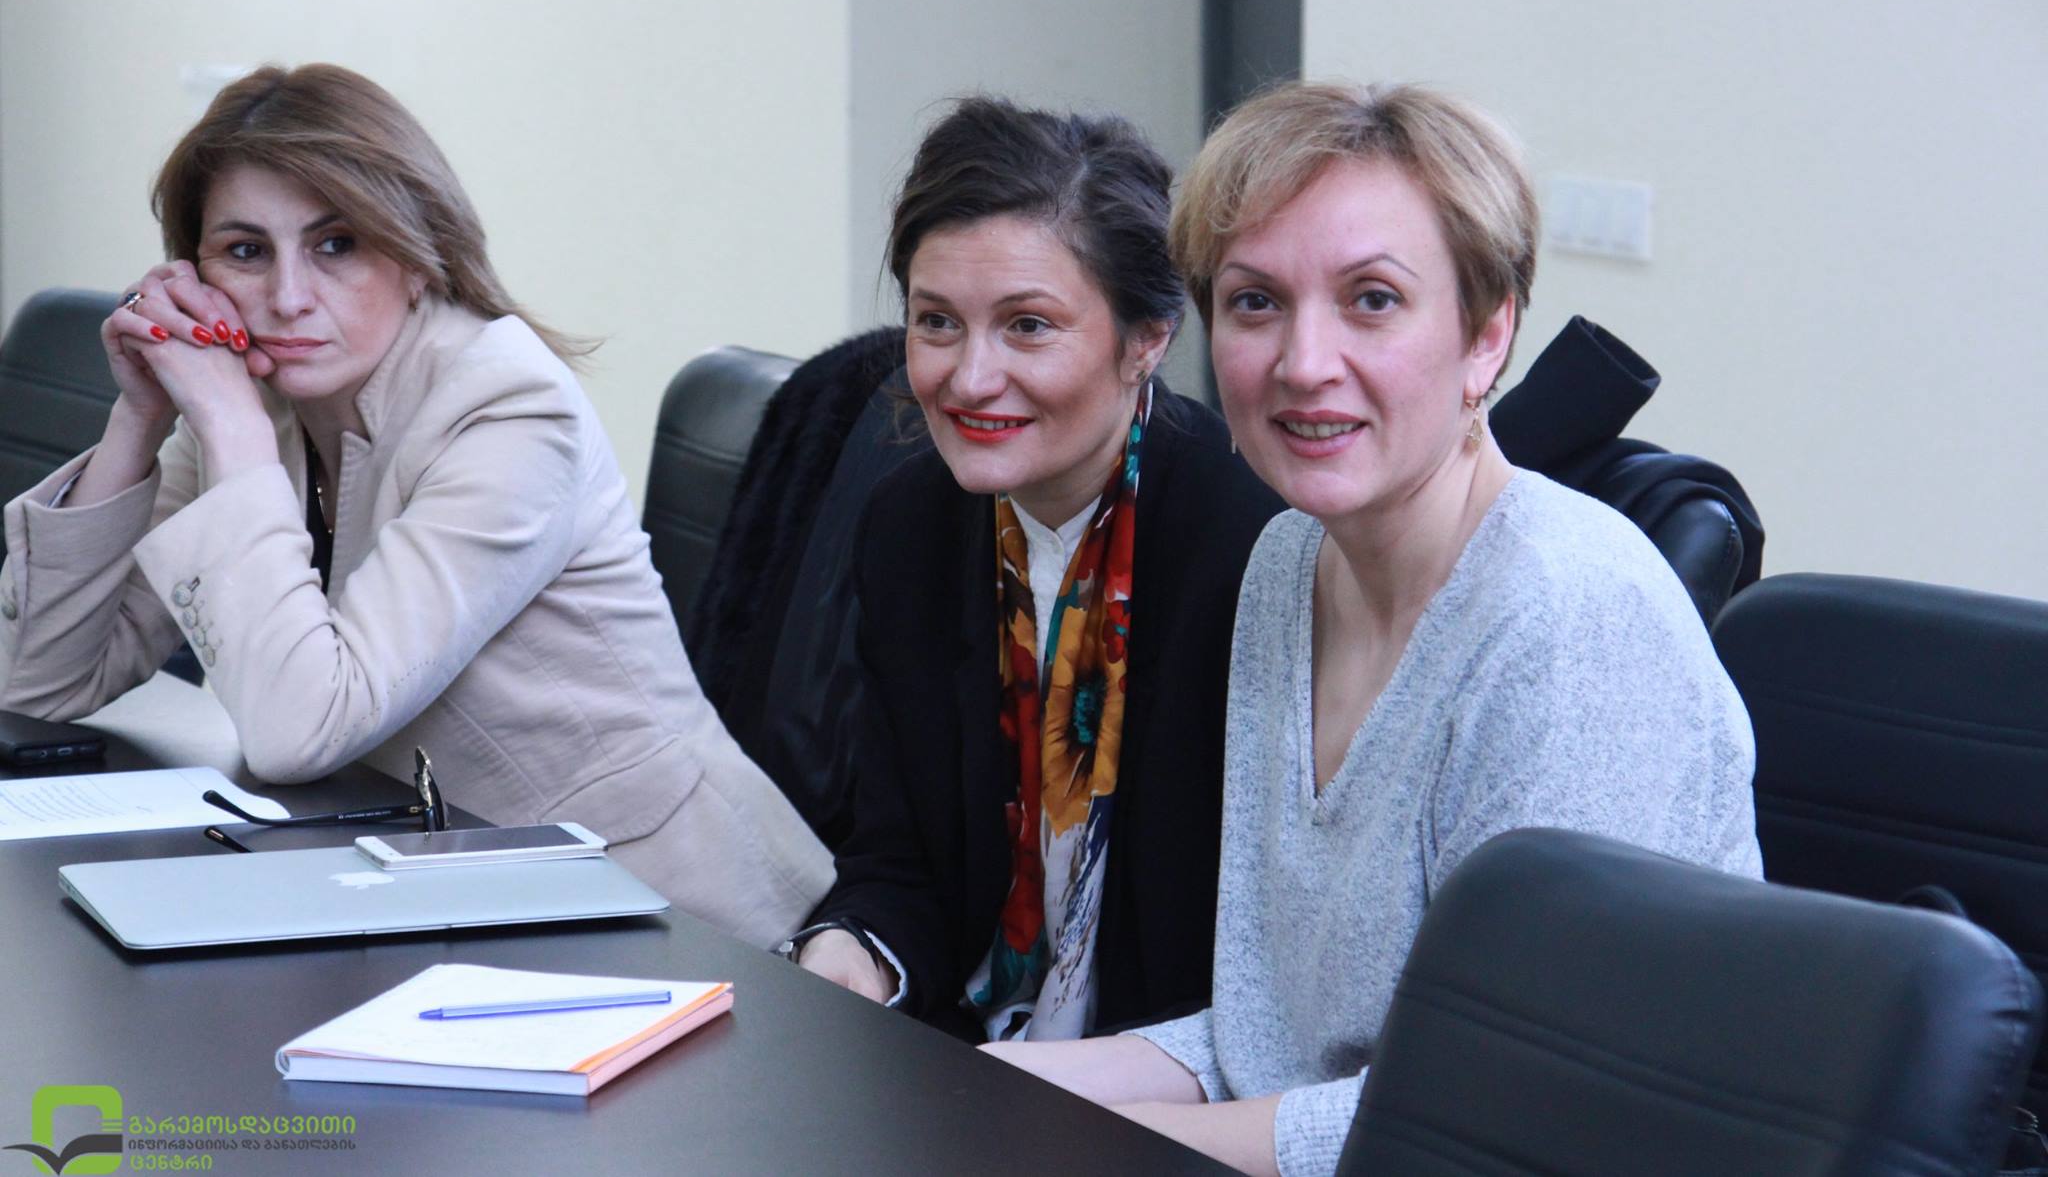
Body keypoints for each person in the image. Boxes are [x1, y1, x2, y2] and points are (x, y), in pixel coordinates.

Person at [980, 81, 1762, 1175]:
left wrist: (1077, 1147)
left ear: (1486, 336)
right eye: (1256, 302)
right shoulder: (1287, 561)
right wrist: (973, 1089)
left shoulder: (1568, 620)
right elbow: (1265, 1041)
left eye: (1372, 300)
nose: (1303, 362)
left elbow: (1512, 1114)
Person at [0, 63, 830, 947]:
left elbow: (298, 729)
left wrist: (228, 425)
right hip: (431, 886)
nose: (287, 297)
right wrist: (141, 412)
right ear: (196, 272)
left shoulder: (510, 410)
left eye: (337, 244)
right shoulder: (253, 404)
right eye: (245, 251)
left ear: (417, 251)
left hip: (663, 918)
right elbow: (37, 679)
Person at [790, 97, 1283, 1041]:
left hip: (1163, 1078)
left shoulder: (1253, 547)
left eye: (1027, 325)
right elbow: (898, 861)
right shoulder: (909, 525)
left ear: (1148, 337)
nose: (970, 377)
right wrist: (854, 949)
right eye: (937, 321)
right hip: (962, 1059)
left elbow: (1251, 959)